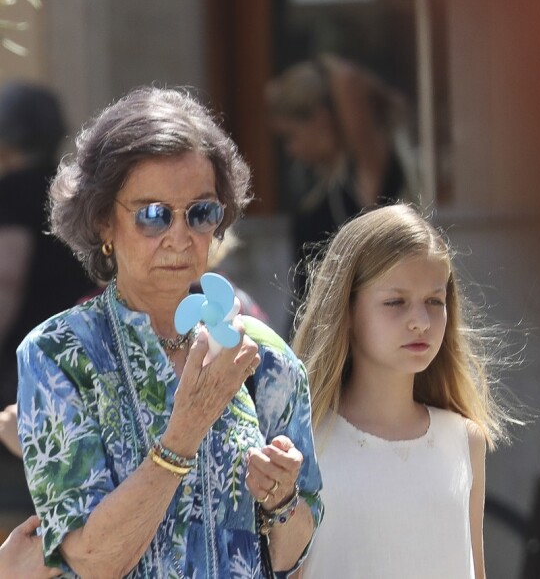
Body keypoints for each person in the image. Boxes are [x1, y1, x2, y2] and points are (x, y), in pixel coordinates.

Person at [16, 86, 323, 577]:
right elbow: (93, 559)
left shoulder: (265, 358)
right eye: (153, 215)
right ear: (102, 223)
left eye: (201, 212)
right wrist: (185, 430)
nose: (180, 237)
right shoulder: (58, 356)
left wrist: (282, 498)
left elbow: (295, 559)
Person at [291, 204, 516, 578]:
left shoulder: (464, 440)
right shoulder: (304, 441)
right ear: (345, 311)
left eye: (435, 301)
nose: (421, 322)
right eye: (395, 302)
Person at [266, 54, 415, 302]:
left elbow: (347, 77)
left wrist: (322, 65)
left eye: (291, 136)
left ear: (320, 121)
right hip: (311, 325)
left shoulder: (365, 175)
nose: (290, 150)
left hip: (343, 329)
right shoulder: (317, 182)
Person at [0, 82, 94, 409]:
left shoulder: (12, 192)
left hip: (27, 357)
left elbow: (7, 277)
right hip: (82, 343)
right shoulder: (78, 188)